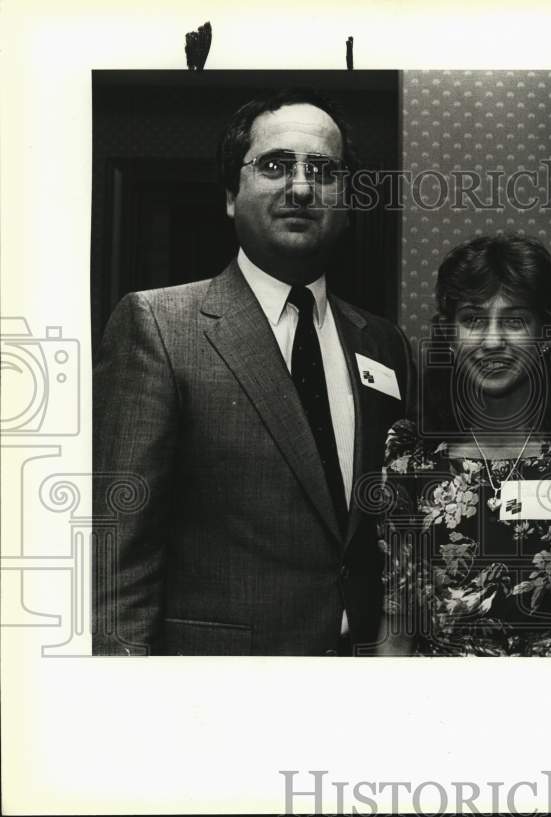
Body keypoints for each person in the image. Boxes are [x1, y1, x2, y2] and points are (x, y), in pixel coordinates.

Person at [92, 88, 413, 656]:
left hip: (364, 677)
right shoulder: (160, 326)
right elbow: (121, 558)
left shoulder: (383, 344)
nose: (301, 187)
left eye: (323, 170)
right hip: (219, 690)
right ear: (230, 195)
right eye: (274, 165)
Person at [377, 234, 551, 656]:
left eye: (514, 321)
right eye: (473, 319)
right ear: (450, 337)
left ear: (545, 336)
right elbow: (396, 629)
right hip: (436, 708)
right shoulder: (409, 460)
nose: (492, 341)